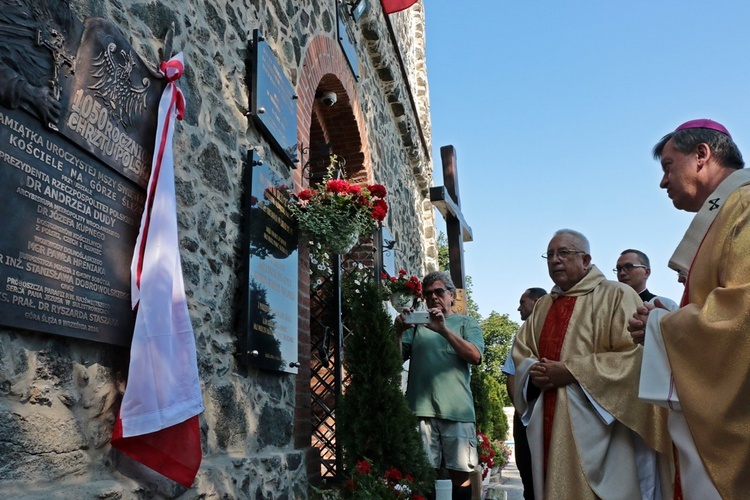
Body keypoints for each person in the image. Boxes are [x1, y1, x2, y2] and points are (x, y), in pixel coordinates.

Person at [629, 118, 750, 498]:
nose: (663, 181)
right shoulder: (727, 211)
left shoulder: (744, 205)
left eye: (668, 165)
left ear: (702, 155)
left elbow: (742, 309)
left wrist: (663, 326)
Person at [513, 229, 672, 500]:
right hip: (548, 418)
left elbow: (634, 356)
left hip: (599, 427)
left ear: (586, 260)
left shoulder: (616, 295)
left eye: (564, 253)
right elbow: (522, 354)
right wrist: (532, 373)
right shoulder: (542, 307)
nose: (555, 260)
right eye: (549, 255)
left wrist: (571, 371)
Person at [395, 270, 484, 500]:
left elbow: (475, 356)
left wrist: (444, 329)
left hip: (457, 412)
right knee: (423, 477)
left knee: (461, 477)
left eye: (438, 292)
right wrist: (397, 332)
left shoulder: (466, 323)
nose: (433, 297)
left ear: (451, 295)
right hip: (420, 411)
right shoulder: (417, 326)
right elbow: (393, 361)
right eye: (427, 294)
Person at [502, 287, 546, 500]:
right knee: (527, 469)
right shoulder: (523, 334)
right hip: (526, 414)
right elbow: (512, 375)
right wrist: (522, 410)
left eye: (523, 302)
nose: (518, 307)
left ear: (537, 302)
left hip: (553, 411)